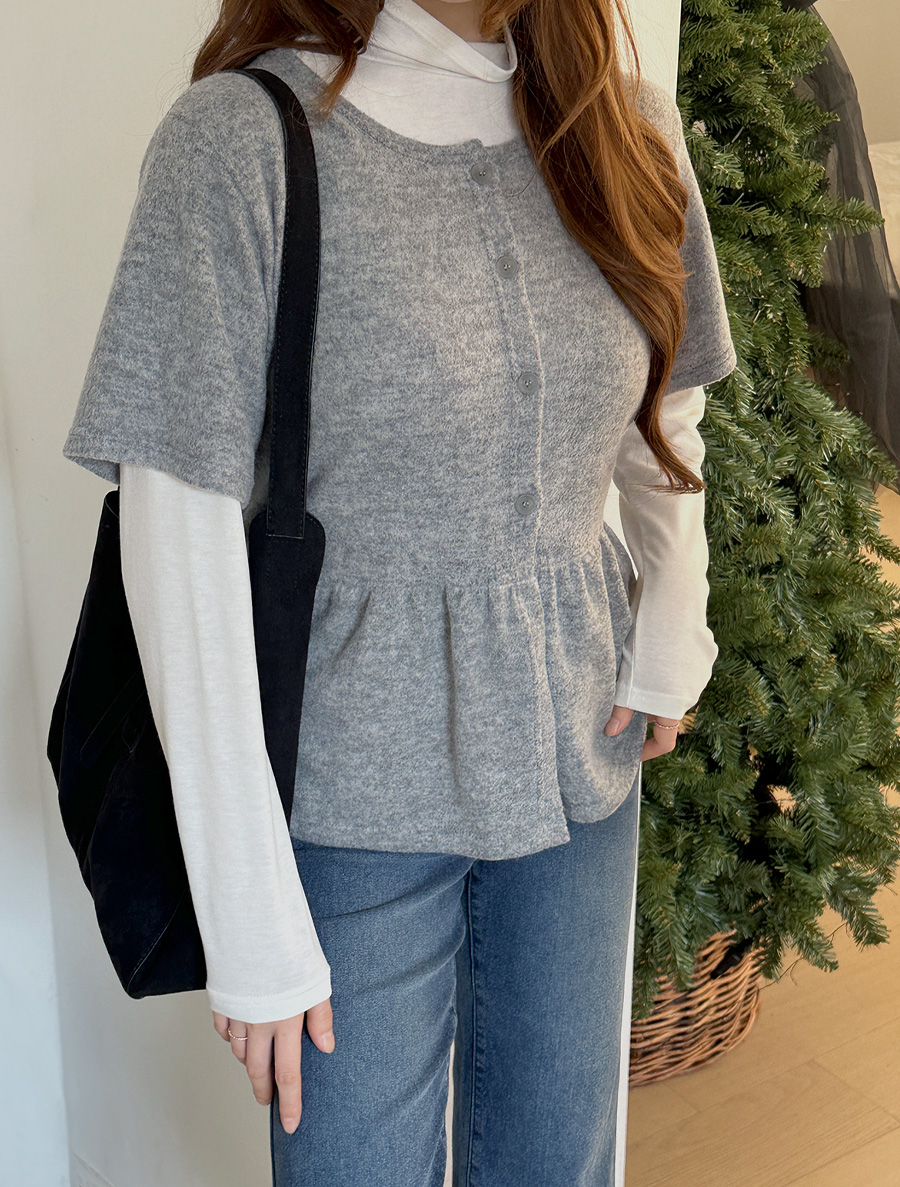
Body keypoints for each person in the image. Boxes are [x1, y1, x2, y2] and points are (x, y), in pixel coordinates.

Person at [61, 0, 737, 1182]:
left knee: (560, 1160)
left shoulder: (624, 126)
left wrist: (673, 624)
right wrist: (248, 910)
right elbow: (178, 526)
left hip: (581, 746)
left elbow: (664, 397)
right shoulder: (239, 143)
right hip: (347, 794)